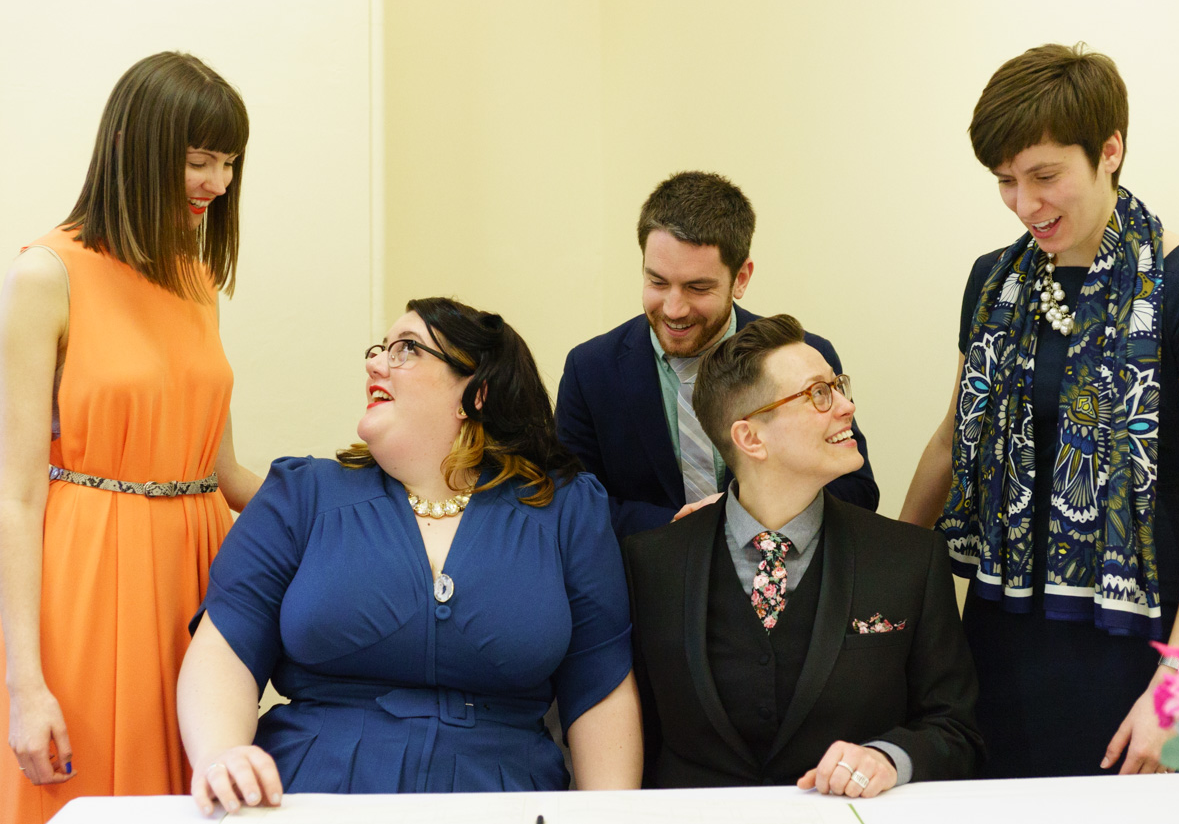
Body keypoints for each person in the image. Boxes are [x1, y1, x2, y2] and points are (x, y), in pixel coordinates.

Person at [900, 43, 1179, 778]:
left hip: (1141, 645)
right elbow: (948, 442)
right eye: (1005, 181)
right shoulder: (993, 283)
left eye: (1045, 176)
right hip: (1000, 629)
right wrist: (883, 581)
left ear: (1110, 151)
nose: (1026, 204)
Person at [177, 297, 642, 815]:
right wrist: (221, 754)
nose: (376, 363)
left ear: (477, 392)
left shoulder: (566, 508)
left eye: (407, 350)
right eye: (380, 349)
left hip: (503, 797)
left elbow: (601, 687)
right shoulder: (300, 494)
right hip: (313, 793)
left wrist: (608, 814)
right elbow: (225, 648)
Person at [0, 52, 262, 824]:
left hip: (196, 581)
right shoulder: (46, 274)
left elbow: (221, 471)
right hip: (85, 578)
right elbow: (14, 495)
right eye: (198, 161)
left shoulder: (196, 279)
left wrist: (366, 497)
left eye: (229, 164)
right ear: (138, 149)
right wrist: (25, 684)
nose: (217, 183)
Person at [623, 314, 982, 793]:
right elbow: (632, 734)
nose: (847, 406)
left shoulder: (910, 559)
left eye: (839, 387)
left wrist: (888, 759)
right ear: (751, 437)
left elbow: (957, 729)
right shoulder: (650, 564)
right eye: (819, 394)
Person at [556, 171, 878, 540]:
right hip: (645, 584)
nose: (674, 309)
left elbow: (858, 491)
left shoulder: (806, 358)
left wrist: (742, 518)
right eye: (657, 282)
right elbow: (572, 505)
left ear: (741, 278)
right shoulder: (590, 370)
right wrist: (681, 528)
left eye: (697, 287)